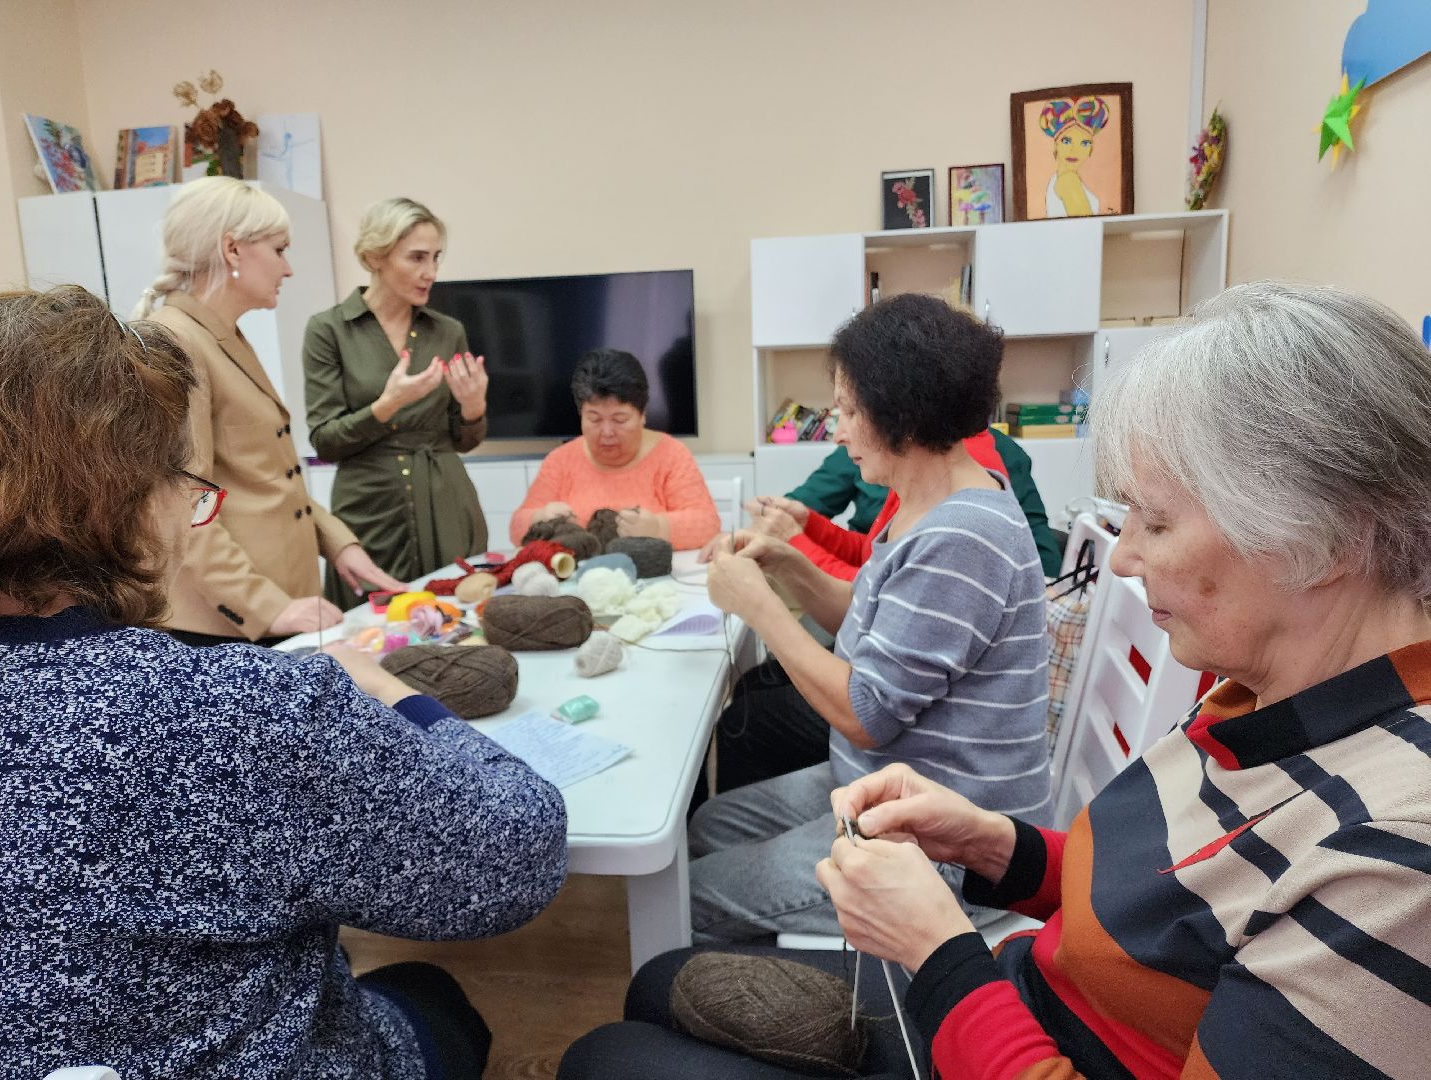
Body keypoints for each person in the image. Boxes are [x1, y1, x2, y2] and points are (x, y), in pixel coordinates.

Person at [562, 281, 1431, 1079]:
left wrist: (939, 948)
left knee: (615, 1038)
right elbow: (1151, 892)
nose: (1119, 559)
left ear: (1328, 538)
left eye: (1157, 523)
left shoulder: (1393, 857)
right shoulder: (1257, 691)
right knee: (664, 963)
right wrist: (993, 846)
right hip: (1020, 982)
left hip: (993, 1009)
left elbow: (867, 709)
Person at [0, 286, 568, 1079]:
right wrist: (392, 694)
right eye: (186, 486)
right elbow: (514, 856)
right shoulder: (255, 710)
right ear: (123, 504)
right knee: (433, 993)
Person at [688, 294, 1051, 944]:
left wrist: (759, 607)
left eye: (850, 410)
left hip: (941, 847)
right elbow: (873, 618)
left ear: (902, 414)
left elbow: (866, 714)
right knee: (708, 828)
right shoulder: (928, 501)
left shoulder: (962, 538)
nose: (839, 428)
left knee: (686, 895)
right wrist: (788, 567)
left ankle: (768, 994)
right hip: (886, 788)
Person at [132, 176, 402, 644]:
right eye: (280, 250)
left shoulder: (225, 335)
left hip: (275, 603)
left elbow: (266, 474)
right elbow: (182, 502)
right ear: (232, 250)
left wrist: (338, 543)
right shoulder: (175, 341)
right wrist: (268, 608)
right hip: (229, 624)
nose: (288, 268)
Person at [304, 197, 491, 609]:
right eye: (417, 258)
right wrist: (385, 406)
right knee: (371, 634)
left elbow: (463, 440)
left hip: (446, 501)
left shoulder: (448, 331)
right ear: (375, 256)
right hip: (368, 511)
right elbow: (325, 441)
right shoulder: (329, 331)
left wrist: (473, 408)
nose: (431, 273)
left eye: (436, 258)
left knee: (456, 621)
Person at [509, 347, 719, 550]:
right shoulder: (560, 460)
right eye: (594, 419)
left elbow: (707, 523)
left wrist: (658, 527)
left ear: (642, 414)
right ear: (581, 414)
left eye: (620, 419)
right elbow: (517, 527)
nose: (607, 432)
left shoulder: (671, 455)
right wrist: (540, 518)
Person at [777, 431, 1061, 577]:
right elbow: (873, 564)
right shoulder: (907, 469)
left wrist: (793, 547)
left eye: (852, 410)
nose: (840, 434)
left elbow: (871, 594)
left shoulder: (948, 487)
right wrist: (803, 528)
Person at [1040, 95, 1110, 217]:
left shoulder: (1057, 178)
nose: (1074, 150)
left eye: (1084, 143)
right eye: (1066, 141)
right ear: (1056, 145)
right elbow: (1086, 228)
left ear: (1090, 149)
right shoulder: (1068, 180)